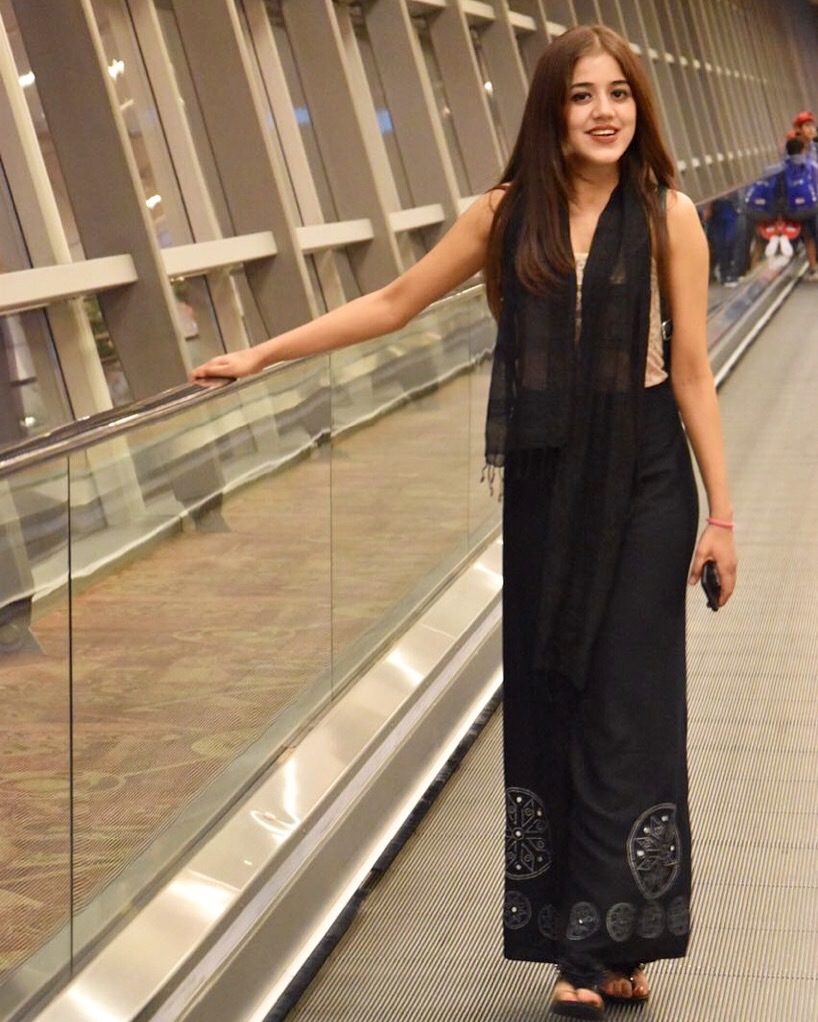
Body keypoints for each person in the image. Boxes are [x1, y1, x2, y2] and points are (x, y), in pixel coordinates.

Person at [192, 24, 737, 1021]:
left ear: (640, 106)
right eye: (582, 95)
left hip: (647, 478)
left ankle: (603, 944)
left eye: (619, 92)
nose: (604, 112)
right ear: (551, 111)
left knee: (630, 703)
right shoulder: (504, 215)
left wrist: (723, 517)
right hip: (547, 482)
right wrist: (263, 353)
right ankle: (586, 935)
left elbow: (692, 370)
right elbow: (395, 300)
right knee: (553, 692)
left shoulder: (668, 216)